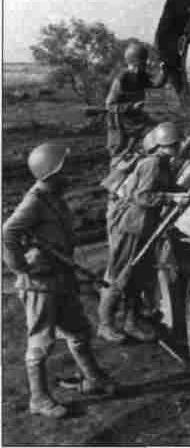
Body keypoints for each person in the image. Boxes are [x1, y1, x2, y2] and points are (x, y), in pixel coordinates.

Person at [3, 143, 118, 418]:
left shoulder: (53, 196)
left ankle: (93, 379)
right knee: (41, 341)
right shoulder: (34, 201)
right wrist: (21, 267)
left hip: (61, 276)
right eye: (62, 170)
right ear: (49, 173)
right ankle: (38, 398)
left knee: (78, 330)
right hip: (40, 284)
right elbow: (8, 232)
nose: (68, 175)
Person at [98, 122, 188, 343]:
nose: (176, 148)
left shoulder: (164, 163)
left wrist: (179, 192)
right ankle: (105, 324)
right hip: (132, 226)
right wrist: (171, 198)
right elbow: (142, 196)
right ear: (161, 146)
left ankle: (131, 321)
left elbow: (163, 187)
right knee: (120, 276)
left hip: (145, 226)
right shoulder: (152, 164)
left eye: (177, 145)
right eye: (172, 145)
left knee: (138, 277)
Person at [105, 41, 167, 158]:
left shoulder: (142, 76)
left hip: (138, 122)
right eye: (140, 64)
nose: (142, 68)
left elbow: (154, 88)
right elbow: (109, 106)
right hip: (121, 125)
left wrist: (164, 72)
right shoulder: (121, 79)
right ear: (132, 63)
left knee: (161, 133)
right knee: (120, 154)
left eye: (143, 64)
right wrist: (131, 107)